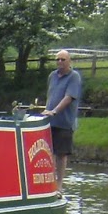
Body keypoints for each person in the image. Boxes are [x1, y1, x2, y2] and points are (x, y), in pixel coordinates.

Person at [45, 49, 82, 187]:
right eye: (57, 59)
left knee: (61, 154)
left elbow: (69, 97)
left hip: (65, 122)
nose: (59, 62)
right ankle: (48, 182)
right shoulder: (52, 76)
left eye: (63, 59)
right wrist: (47, 110)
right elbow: (50, 95)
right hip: (50, 122)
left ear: (69, 61)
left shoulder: (74, 77)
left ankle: (59, 185)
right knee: (48, 152)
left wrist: (54, 111)